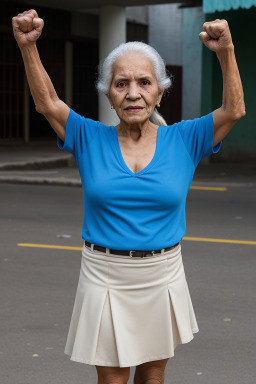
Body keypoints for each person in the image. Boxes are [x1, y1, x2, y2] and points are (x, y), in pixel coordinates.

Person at [12, 9, 245, 384]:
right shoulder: (89, 137)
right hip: (104, 274)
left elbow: (234, 110)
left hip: (161, 273)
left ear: (160, 90)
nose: (133, 93)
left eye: (144, 82)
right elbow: (48, 103)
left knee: (152, 378)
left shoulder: (185, 139)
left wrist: (226, 51)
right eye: (121, 84)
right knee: (113, 380)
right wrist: (27, 47)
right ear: (108, 94)